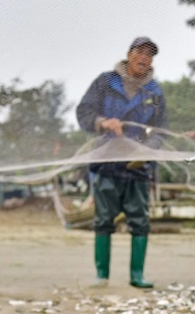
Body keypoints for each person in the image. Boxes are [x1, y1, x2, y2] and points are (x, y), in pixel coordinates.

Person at [76, 36, 166, 289]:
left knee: (140, 221)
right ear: (129, 54)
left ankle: (137, 276)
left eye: (149, 55)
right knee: (103, 219)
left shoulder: (155, 91)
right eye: (140, 52)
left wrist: (147, 152)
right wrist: (103, 122)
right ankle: (101, 276)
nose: (144, 58)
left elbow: (161, 129)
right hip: (107, 161)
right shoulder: (105, 82)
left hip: (137, 167)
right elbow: (84, 112)